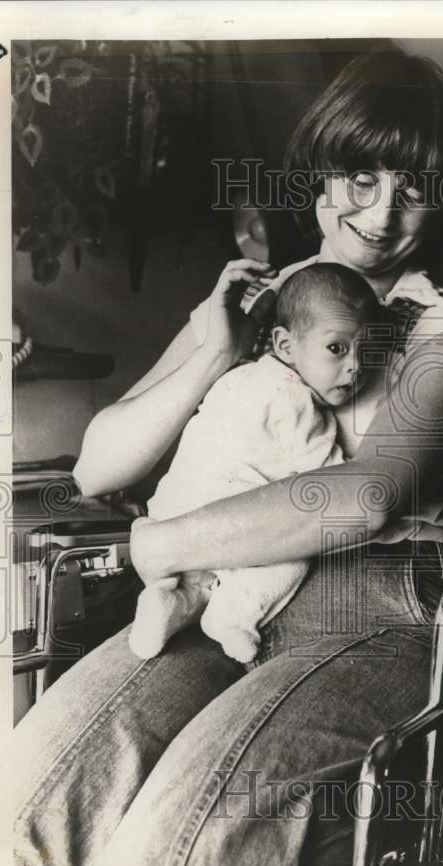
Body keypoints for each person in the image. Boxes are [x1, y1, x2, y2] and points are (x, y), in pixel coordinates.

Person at [14, 46, 443, 866]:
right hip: (223, 600)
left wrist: (162, 542)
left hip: (368, 612)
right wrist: (210, 353)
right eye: (360, 175)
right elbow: (97, 461)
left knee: (173, 860)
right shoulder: (260, 302)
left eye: (415, 187)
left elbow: (365, 497)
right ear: (319, 177)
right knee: (22, 811)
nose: (385, 210)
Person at [128, 264, 380, 663]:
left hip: (171, 514)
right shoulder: (296, 402)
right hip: (228, 523)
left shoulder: (237, 378)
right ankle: (233, 617)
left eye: (368, 352)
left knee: (197, 581)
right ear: (285, 345)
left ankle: (169, 601)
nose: (355, 366)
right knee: (294, 553)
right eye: (338, 348)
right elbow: (332, 482)